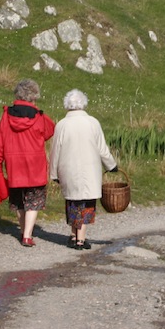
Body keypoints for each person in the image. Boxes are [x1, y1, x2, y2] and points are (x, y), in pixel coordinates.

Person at [48, 89, 117, 250]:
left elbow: (55, 150)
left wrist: (53, 172)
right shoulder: (93, 122)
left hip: (67, 169)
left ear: (67, 105)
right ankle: (80, 239)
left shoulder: (62, 125)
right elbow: (102, 148)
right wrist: (111, 165)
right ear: (83, 103)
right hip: (89, 170)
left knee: (72, 202)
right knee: (86, 202)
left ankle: (74, 235)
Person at [0, 79, 56, 247]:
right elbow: (50, 130)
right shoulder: (39, 116)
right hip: (35, 165)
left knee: (19, 200)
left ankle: (22, 231)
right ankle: (27, 235)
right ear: (34, 97)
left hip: (14, 165)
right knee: (34, 200)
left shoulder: (6, 115)